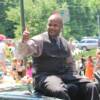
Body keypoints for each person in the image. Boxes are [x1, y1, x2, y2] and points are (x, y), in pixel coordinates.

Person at [17, 13, 100, 100]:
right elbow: (23, 52)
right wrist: (24, 42)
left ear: (61, 27)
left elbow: (70, 63)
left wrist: (74, 76)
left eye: (55, 25)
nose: (52, 27)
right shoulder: (39, 40)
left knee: (91, 86)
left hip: (64, 75)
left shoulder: (65, 43)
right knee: (59, 91)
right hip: (44, 77)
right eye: (50, 25)